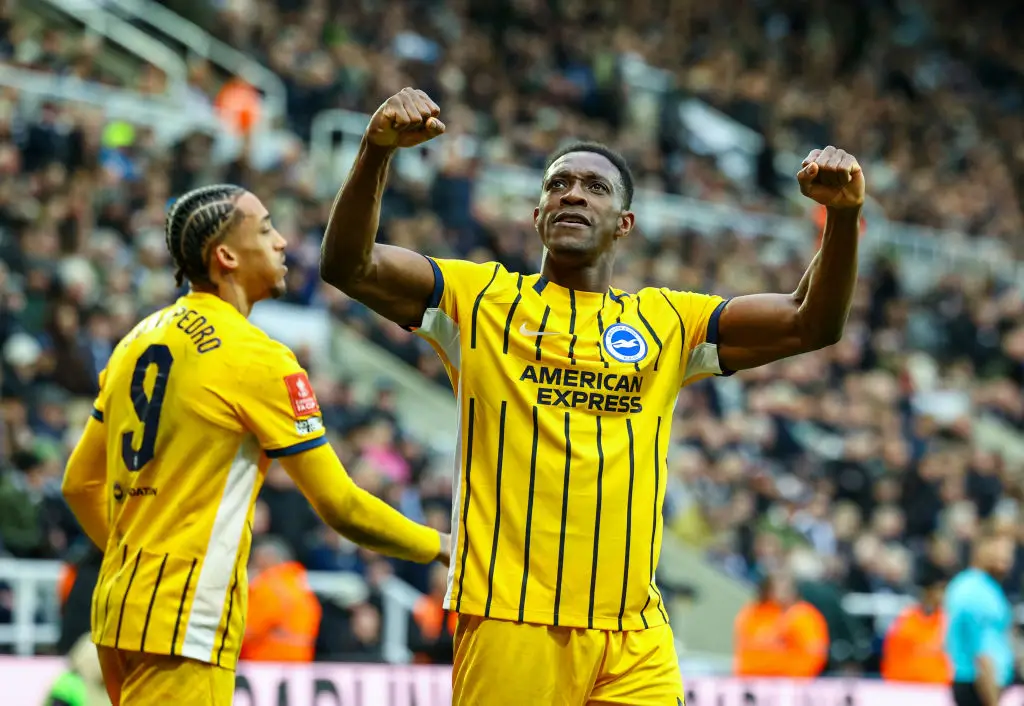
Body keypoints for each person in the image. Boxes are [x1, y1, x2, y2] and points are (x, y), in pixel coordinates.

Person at [319, 87, 864, 705]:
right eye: (557, 185)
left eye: (595, 188)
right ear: (536, 216)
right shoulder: (478, 299)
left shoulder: (668, 321)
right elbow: (349, 266)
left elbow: (810, 322)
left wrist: (842, 218)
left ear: (623, 224)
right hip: (509, 615)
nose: (573, 193)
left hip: (634, 633)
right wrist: (375, 151)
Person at [61, 184, 450, 706]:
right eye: (266, 229)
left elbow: (78, 483)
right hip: (184, 620)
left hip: (117, 608)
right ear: (225, 256)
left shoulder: (137, 338)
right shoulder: (258, 359)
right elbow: (342, 505)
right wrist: (442, 546)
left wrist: (138, 562)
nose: (284, 241)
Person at [945, 530, 1016, 706]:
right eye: (1001, 549)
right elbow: (982, 655)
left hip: (985, 685)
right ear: (981, 548)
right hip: (978, 687)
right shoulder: (973, 592)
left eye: (1010, 551)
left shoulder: (987, 587)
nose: (1007, 557)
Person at [733, 570, 829, 679]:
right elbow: (748, 653)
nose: (782, 592)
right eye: (777, 587)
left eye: (786, 587)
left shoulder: (805, 616)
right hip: (754, 680)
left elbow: (815, 653)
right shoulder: (752, 613)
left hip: (793, 683)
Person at [880, 565, 951, 684]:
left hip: (940, 690)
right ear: (927, 591)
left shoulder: (947, 622)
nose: (943, 595)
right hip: (908, 691)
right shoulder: (905, 622)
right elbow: (892, 659)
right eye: (940, 589)